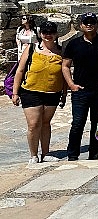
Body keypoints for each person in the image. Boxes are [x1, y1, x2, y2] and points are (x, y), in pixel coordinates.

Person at [63, 13, 98, 161]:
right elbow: (65, 66)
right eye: (86, 22)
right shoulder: (74, 44)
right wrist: (71, 85)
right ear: (81, 25)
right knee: (77, 124)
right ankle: (73, 154)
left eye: (92, 22)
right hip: (80, 91)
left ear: (97, 25)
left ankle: (94, 151)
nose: (89, 24)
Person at [12, 21, 65, 164]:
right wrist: (15, 93)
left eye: (51, 32)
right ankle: (34, 154)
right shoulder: (31, 49)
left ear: (56, 34)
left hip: (53, 92)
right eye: (45, 32)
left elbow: (64, 75)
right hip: (31, 91)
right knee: (34, 124)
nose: (48, 35)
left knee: (46, 123)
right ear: (40, 34)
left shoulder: (61, 52)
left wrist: (64, 94)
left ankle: (46, 153)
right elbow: (20, 70)